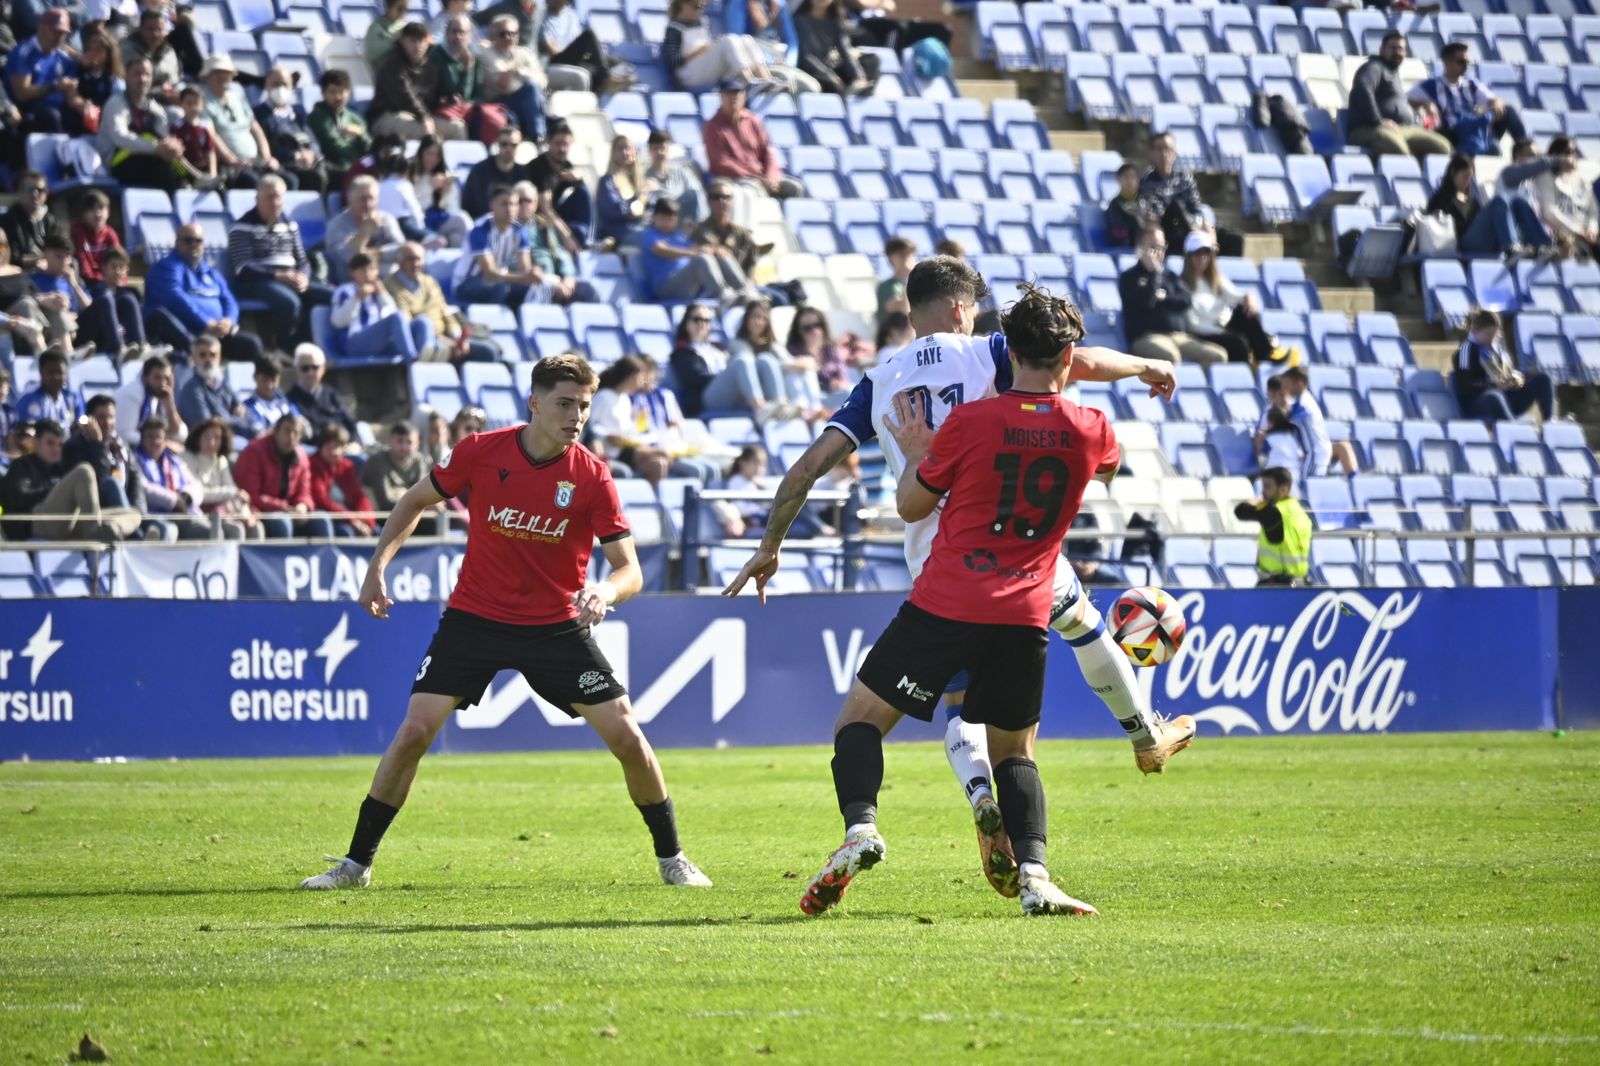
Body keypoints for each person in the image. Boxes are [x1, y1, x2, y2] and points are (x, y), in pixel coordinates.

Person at [722, 259, 1189, 902]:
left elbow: (807, 469)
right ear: (967, 309)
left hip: (936, 572)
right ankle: (1139, 742)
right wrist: (1144, 366)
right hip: (1021, 566)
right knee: (1071, 640)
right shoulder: (991, 354)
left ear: (912, 313)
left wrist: (769, 546)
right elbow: (1072, 364)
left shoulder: (879, 380)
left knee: (939, 709)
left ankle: (930, 809)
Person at [297, 354, 712, 892]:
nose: (576, 416)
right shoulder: (480, 452)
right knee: (414, 733)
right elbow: (415, 499)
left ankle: (672, 858)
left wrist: (604, 591)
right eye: (565, 404)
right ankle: (355, 865)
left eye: (584, 406)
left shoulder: (592, 476)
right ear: (534, 403)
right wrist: (376, 568)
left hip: (556, 627)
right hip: (475, 619)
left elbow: (629, 569)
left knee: (628, 737)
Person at [228, 175, 332, 347]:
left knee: (330, 297)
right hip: (257, 281)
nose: (275, 202)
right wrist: (279, 275)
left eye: (278, 197)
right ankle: (286, 346)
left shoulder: (290, 225)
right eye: (270, 197)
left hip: (290, 276)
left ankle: (316, 344)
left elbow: (302, 260)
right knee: (290, 302)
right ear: (257, 198)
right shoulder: (241, 227)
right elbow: (243, 268)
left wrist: (304, 277)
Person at [0, 417, 141, 540]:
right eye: (50, 443)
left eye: (60, 444)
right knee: (84, 470)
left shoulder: (61, 467)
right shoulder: (22, 465)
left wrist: (97, 445)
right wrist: (58, 491)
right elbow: (18, 499)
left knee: (133, 513)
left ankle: (111, 529)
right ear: (36, 443)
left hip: (70, 522)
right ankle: (94, 532)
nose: (56, 449)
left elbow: (98, 482)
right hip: (36, 522)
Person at [142, 223, 265, 364]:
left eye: (198, 240)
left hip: (216, 335)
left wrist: (228, 321)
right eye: (188, 240)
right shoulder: (166, 267)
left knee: (253, 345)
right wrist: (205, 322)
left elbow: (229, 300)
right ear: (176, 242)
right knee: (160, 315)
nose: (193, 244)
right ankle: (198, 358)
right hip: (186, 333)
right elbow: (173, 297)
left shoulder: (211, 271)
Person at [1119, 230, 1225, 370]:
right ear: (1140, 247)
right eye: (1153, 247)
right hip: (1147, 337)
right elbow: (1147, 300)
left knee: (1218, 355)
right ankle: (1173, 390)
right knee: (1171, 357)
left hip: (1178, 336)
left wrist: (1164, 298)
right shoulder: (1129, 277)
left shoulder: (1170, 276)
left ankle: (1192, 388)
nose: (1158, 252)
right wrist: (1154, 273)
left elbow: (1186, 300)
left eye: (1162, 247)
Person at [670, 301, 792, 421]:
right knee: (742, 360)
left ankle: (781, 406)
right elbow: (696, 379)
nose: (701, 324)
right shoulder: (681, 352)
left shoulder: (716, 348)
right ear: (686, 323)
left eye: (706, 321)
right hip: (705, 397)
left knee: (765, 359)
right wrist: (729, 377)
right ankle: (760, 408)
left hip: (729, 392)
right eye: (696, 319)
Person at [1179, 232, 1283, 364]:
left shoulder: (1215, 280)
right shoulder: (1182, 285)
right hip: (1204, 333)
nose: (1202, 257)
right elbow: (1193, 325)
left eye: (1206, 253)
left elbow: (1237, 296)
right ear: (1189, 256)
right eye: (1197, 253)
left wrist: (1249, 298)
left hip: (1222, 326)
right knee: (1239, 344)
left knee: (1245, 313)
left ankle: (1265, 354)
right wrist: (1221, 332)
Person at [1407, 43, 1526, 155]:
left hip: (1474, 129)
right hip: (1451, 133)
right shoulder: (1430, 85)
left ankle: (1525, 149)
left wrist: (1496, 103)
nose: (1465, 66)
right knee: (1492, 147)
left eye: (1467, 62)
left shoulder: (1471, 84)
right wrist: (1424, 103)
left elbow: (1494, 99)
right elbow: (1405, 100)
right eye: (1461, 62)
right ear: (1446, 62)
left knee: (1508, 110)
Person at [388, 241, 497, 363]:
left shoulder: (429, 281)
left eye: (419, 259)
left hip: (446, 338)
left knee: (489, 351)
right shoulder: (391, 285)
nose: (415, 264)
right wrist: (444, 340)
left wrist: (457, 338)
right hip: (422, 341)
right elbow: (409, 324)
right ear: (399, 261)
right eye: (410, 259)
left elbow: (444, 311)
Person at [1347, 32, 1451, 159]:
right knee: (1399, 150)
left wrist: (1423, 104)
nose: (1397, 52)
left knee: (1444, 148)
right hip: (1370, 129)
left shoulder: (1393, 73)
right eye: (1392, 48)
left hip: (1403, 129)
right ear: (1382, 50)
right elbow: (1363, 87)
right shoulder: (1375, 66)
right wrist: (1377, 121)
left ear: (1405, 53)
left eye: (1400, 49)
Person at [201, 54, 295, 190]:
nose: (223, 76)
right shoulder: (202, 100)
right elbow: (210, 134)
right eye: (217, 72)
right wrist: (232, 160)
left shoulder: (238, 98)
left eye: (226, 72)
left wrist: (267, 158)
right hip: (232, 166)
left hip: (255, 162)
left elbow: (255, 128)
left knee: (289, 180)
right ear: (207, 76)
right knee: (254, 182)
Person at [589, 354, 688, 484]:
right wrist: (608, 435)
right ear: (631, 377)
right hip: (612, 450)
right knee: (663, 452)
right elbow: (590, 426)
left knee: (659, 463)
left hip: (626, 447)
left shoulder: (624, 399)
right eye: (639, 378)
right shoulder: (603, 396)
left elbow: (630, 429)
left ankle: (654, 501)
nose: (641, 382)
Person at [234, 413, 336, 538]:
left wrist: (302, 506)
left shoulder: (302, 456)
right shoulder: (254, 452)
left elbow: (304, 491)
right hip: (260, 511)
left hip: (290, 510)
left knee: (321, 520)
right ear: (276, 432)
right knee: (282, 522)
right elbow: (250, 495)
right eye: (287, 431)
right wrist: (284, 507)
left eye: (296, 433)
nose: (291, 437)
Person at [664, 0, 799, 93]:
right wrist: (703, 49)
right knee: (729, 40)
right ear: (682, 4)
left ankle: (765, 79)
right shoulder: (673, 29)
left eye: (701, 7)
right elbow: (674, 63)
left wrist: (711, 46)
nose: (699, 11)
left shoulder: (701, 22)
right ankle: (749, 82)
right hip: (688, 75)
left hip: (703, 67)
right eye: (695, 7)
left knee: (745, 39)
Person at [702, 81, 804, 200]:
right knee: (756, 191)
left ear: (744, 97)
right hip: (735, 179)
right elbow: (722, 163)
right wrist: (758, 178)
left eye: (737, 93)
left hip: (762, 176)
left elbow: (767, 151)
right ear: (721, 97)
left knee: (795, 188)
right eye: (729, 93)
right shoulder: (712, 127)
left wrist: (771, 175)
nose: (734, 97)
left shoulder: (753, 120)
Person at [1140, 132, 1235, 259]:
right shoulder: (1147, 182)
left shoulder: (1185, 180)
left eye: (1168, 149)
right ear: (1152, 154)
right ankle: (1199, 239)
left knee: (1233, 239)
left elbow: (1196, 210)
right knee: (1177, 206)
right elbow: (1157, 213)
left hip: (1189, 228)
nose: (1164, 153)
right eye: (1159, 149)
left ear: (1174, 153)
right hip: (1167, 232)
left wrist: (1202, 226)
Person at [1452, 308, 1554, 426]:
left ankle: (1548, 422)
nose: (1491, 339)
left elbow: (1508, 372)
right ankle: (1513, 428)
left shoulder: (1498, 351)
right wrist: (1494, 385)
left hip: (1506, 399)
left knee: (1543, 379)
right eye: (1487, 334)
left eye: (1495, 335)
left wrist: (1517, 380)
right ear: (1475, 331)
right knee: (1494, 396)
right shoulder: (1466, 351)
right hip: (1480, 402)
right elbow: (1465, 386)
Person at [99, 58, 186, 193]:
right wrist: (156, 148)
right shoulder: (116, 103)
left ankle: (191, 178)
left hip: (147, 158)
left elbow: (163, 139)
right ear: (126, 77)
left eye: (147, 75)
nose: (142, 79)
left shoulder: (155, 108)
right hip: (117, 163)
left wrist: (171, 147)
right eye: (137, 74)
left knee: (171, 165)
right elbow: (120, 137)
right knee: (162, 169)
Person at [370, 22, 467, 143]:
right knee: (426, 134)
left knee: (458, 128)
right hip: (385, 117)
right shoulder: (392, 64)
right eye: (412, 40)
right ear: (402, 41)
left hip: (417, 116)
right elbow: (404, 97)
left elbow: (429, 99)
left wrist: (445, 100)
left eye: (421, 41)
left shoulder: (430, 67)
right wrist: (424, 118)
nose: (418, 45)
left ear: (427, 42)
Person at [330, 251, 434, 363]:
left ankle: (426, 358)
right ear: (352, 272)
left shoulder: (378, 291)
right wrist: (357, 299)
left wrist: (382, 295)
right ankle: (412, 358)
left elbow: (393, 318)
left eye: (372, 269)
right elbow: (337, 321)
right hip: (354, 343)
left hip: (380, 344)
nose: (368, 274)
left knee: (423, 321)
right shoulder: (345, 290)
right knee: (397, 316)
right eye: (363, 270)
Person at [642, 197, 747, 306]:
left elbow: (697, 248)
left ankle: (745, 292)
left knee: (722, 255)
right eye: (662, 219)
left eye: (670, 219)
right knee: (702, 258)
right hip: (666, 287)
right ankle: (723, 295)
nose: (666, 223)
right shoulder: (650, 235)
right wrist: (696, 253)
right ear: (654, 218)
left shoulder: (679, 236)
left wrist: (715, 249)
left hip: (688, 285)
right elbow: (662, 251)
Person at [453, 184, 544, 308]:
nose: (509, 209)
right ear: (492, 205)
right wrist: (525, 277)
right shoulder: (480, 230)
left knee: (538, 287)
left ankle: (525, 323)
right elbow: (489, 273)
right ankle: (494, 324)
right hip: (467, 283)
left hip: (499, 279)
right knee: (500, 286)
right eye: (504, 204)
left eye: (513, 204)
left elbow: (524, 269)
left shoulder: (520, 231)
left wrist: (532, 276)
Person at [430, 14, 511, 147]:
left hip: (465, 111)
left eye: (462, 32)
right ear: (446, 33)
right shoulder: (436, 57)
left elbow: (477, 95)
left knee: (498, 119)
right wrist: (467, 72)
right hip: (441, 112)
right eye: (454, 31)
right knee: (460, 127)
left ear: (469, 36)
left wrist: (467, 103)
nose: (458, 36)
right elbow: (446, 91)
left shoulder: (474, 59)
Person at [733, 300, 823, 416]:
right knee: (775, 363)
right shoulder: (738, 344)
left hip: (775, 389)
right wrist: (788, 366)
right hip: (756, 393)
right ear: (747, 319)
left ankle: (814, 409)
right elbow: (751, 369)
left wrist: (805, 363)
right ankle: (800, 409)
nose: (758, 322)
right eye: (754, 317)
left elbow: (791, 361)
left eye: (763, 318)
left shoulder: (772, 345)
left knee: (803, 370)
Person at [65, 392, 145, 519]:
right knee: (112, 483)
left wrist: (140, 514)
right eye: (101, 417)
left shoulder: (121, 445)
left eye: (111, 417)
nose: (107, 422)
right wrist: (97, 444)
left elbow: (136, 483)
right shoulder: (76, 445)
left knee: (167, 529)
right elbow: (101, 482)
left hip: (129, 513)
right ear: (90, 419)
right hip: (101, 514)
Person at [254, 65, 329, 196]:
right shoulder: (259, 113)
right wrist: (294, 156)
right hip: (283, 164)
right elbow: (267, 144)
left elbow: (312, 138)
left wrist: (312, 153)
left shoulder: (298, 112)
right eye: (275, 84)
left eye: (284, 84)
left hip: (307, 162)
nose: (280, 88)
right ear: (267, 85)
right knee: (312, 178)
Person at [6, 8, 82, 136]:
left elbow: (72, 92)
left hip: (59, 107)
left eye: (63, 33)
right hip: (30, 110)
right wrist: (55, 86)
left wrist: (80, 105)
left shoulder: (64, 55)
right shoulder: (24, 54)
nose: (59, 37)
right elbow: (22, 94)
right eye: (55, 31)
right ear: (41, 28)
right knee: (52, 116)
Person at [1233, 468, 1312, 587]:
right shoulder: (1300, 511)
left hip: (1276, 586)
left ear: (1284, 489)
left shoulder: (1273, 511)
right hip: (1300, 583)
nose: (1263, 492)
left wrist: (1256, 502)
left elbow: (1240, 511)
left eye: (1267, 487)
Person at [183, 415, 258, 538]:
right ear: (198, 437)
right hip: (199, 514)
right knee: (235, 529)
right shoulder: (186, 458)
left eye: (217, 438)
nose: (211, 442)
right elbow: (199, 494)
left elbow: (232, 491)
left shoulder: (221, 461)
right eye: (207, 436)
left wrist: (246, 514)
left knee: (255, 528)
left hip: (225, 512)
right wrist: (231, 493)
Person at [133, 416, 208, 538]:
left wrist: (186, 496)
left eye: (159, 437)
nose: (155, 441)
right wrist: (174, 500)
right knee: (206, 533)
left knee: (218, 530)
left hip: (185, 511)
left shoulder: (174, 461)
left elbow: (196, 485)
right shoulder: (135, 461)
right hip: (157, 514)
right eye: (150, 437)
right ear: (142, 440)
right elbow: (144, 488)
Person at [1280, 366, 1358, 481]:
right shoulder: (1306, 400)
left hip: (1315, 455)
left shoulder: (1303, 405)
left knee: (1307, 487)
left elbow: (1285, 421)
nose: (1284, 390)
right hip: (1321, 452)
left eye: (1287, 385)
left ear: (1300, 383)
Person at [325, 176, 408, 284]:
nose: (368, 204)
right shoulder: (336, 225)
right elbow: (351, 259)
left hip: (389, 281)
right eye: (363, 199)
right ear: (350, 200)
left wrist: (373, 253)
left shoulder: (386, 219)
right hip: (353, 285)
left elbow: (402, 250)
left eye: (371, 198)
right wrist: (365, 232)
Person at [528, 121, 594, 250]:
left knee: (583, 191)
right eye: (558, 144)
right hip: (539, 221)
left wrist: (580, 179)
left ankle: (589, 240)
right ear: (548, 142)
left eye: (566, 144)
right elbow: (546, 209)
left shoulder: (566, 165)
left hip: (559, 216)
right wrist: (567, 237)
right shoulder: (539, 167)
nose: (562, 149)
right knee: (578, 233)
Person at [481, 13, 546, 142]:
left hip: (523, 100)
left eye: (513, 33)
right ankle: (537, 137)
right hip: (499, 103)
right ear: (493, 36)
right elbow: (505, 86)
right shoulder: (486, 55)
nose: (508, 38)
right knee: (531, 89)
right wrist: (527, 77)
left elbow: (543, 82)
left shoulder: (525, 53)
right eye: (503, 34)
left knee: (533, 90)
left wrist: (517, 71)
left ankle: (538, 137)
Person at [177, 335, 252, 443]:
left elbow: (244, 410)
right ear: (194, 358)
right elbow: (209, 425)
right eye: (202, 355)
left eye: (212, 355)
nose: (208, 360)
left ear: (219, 357)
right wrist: (239, 421)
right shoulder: (191, 390)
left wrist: (241, 418)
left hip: (232, 439)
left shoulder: (222, 383)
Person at [1536, 137, 1600, 260]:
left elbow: (1593, 210)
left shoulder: (1581, 180)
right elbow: (1550, 212)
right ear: (1556, 155)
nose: (1573, 156)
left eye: (1575, 152)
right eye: (1568, 152)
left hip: (1585, 233)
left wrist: (1592, 229)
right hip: (1562, 234)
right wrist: (1576, 230)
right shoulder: (1546, 178)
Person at [794, 0, 875, 96]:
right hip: (812, 71)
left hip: (829, 66)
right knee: (833, 84)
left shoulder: (835, 20)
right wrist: (830, 76)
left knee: (871, 60)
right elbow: (806, 57)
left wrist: (858, 77)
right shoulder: (799, 20)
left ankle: (859, 92)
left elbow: (845, 51)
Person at [286, 342, 361, 445]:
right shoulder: (290, 399)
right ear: (297, 369)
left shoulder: (331, 394)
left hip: (342, 447)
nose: (310, 373)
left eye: (315, 367)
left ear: (323, 368)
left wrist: (355, 443)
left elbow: (350, 423)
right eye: (305, 368)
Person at [309, 423, 376, 535]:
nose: (333, 452)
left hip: (350, 516)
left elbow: (358, 496)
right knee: (346, 533)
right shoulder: (312, 464)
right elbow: (322, 500)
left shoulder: (347, 466)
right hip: (330, 517)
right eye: (328, 448)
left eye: (336, 447)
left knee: (377, 531)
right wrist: (352, 520)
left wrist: (366, 522)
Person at [309, 69, 371, 191]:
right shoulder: (318, 116)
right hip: (333, 168)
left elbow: (369, 148)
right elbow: (334, 146)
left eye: (341, 91)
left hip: (356, 168)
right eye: (332, 92)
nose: (338, 97)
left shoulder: (355, 119)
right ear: (323, 93)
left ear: (348, 92)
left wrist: (361, 134)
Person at [406, 135, 472, 247]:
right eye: (429, 153)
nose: (433, 159)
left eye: (437, 155)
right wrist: (430, 187)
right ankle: (478, 252)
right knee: (461, 219)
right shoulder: (410, 173)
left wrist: (446, 191)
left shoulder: (441, 174)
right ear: (421, 152)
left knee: (456, 237)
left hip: (436, 221)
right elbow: (414, 207)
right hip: (417, 224)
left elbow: (451, 209)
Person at [540, 0, 618, 92]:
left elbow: (578, 39)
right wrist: (576, 52)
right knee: (589, 34)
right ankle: (605, 77)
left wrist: (582, 54)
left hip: (575, 57)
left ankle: (596, 95)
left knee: (614, 61)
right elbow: (550, 48)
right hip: (556, 59)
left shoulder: (571, 15)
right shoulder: (541, 16)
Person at [463, 125, 535, 221]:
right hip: (484, 222)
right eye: (504, 144)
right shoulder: (480, 170)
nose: (509, 149)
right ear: (497, 144)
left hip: (515, 224)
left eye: (514, 145)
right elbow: (476, 206)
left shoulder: (523, 172)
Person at [114, 351, 185, 446]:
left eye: (166, 378)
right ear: (145, 378)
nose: (162, 383)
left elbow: (180, 436)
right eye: (157, 377)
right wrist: (163, 443)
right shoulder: (133, 392)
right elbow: (124, 435)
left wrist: (170, 407)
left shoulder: (161, 396)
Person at [1, 170, 64, 271]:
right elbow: (12, 258)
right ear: (19, 192)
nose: (35, 193)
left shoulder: (50, 220)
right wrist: (38, 260)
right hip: (21, 275)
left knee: (72, 263)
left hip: (49, 270)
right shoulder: (6, 221)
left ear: (46, 194)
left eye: (40, 190)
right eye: (30, 189)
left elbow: (61, 248)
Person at [120, 7, 182, 109]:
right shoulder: (127, 49)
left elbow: (173, 83)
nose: (155, 34)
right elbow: (133, 87)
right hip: (132, 103)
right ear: (140, 29)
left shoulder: (169, 52)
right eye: (150, 29)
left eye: (159, 29)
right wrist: (163, 94)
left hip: (166, 103)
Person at [362, 421, 427, 515]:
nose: (404, 447)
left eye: (409, 442)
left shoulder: (420, 461)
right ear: (390, 441)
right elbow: (384, 502)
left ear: (417, 444)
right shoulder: (378, 461)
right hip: (380, 515)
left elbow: (422, 494)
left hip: (409, 512)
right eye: (400, 441)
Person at [644, 128, 707, 225]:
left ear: (669, 149)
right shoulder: (645, 176)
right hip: (661, 220)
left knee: (695, 194)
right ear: (649, 150)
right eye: (655, 148)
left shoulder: (682, 172)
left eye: (663, 148)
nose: (660, 152)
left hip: (684, 218)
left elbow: (697, 193)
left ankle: (703, 229)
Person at [597, 134, 648, 250]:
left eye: (629, 148)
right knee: (651, 239)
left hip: (640, 228)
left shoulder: (640, 182)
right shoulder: (607, 181)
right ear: (613, 154)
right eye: (620, 148)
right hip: (619, 233)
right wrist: (638, 198)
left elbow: (648, 210)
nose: (625, 152)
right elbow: (615, 210)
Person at [15, 349, 83, 424]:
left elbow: (81, 421)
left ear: (66, 373)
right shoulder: (29, 399)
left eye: (60, 372)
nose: (55, 377)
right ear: (41, 372)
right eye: (51, 372)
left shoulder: (73, 396)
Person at [242, 357, 299, 437]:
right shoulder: (247, 407)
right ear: (255, 377)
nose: (269, 386)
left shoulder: (286, 403)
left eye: (273, 380)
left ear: (279, 380)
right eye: (265, 379)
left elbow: (299, 423)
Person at [1104, 163, 1145, 250]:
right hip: (1128, 244)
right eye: (1126, 177)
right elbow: (1117, 232)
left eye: (1133, 177)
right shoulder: (1115, 204)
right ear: (1118, 179)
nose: (1130, 181)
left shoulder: (1145, 201)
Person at [875, 237, 916, 324]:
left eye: (909, 253)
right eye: (901, 254)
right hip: (895, 333)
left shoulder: (922, 283)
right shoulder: (886, 286)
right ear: (890, 259)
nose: (906, 257)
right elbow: (901, 309)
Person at [365, 0, 412, 68]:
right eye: (400, 9)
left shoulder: (407, 26)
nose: (403, 13)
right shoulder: (376, 27)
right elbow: (372, 54)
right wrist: (397, 39)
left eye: (406, 10)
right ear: (388, 7)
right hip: (385, 72)